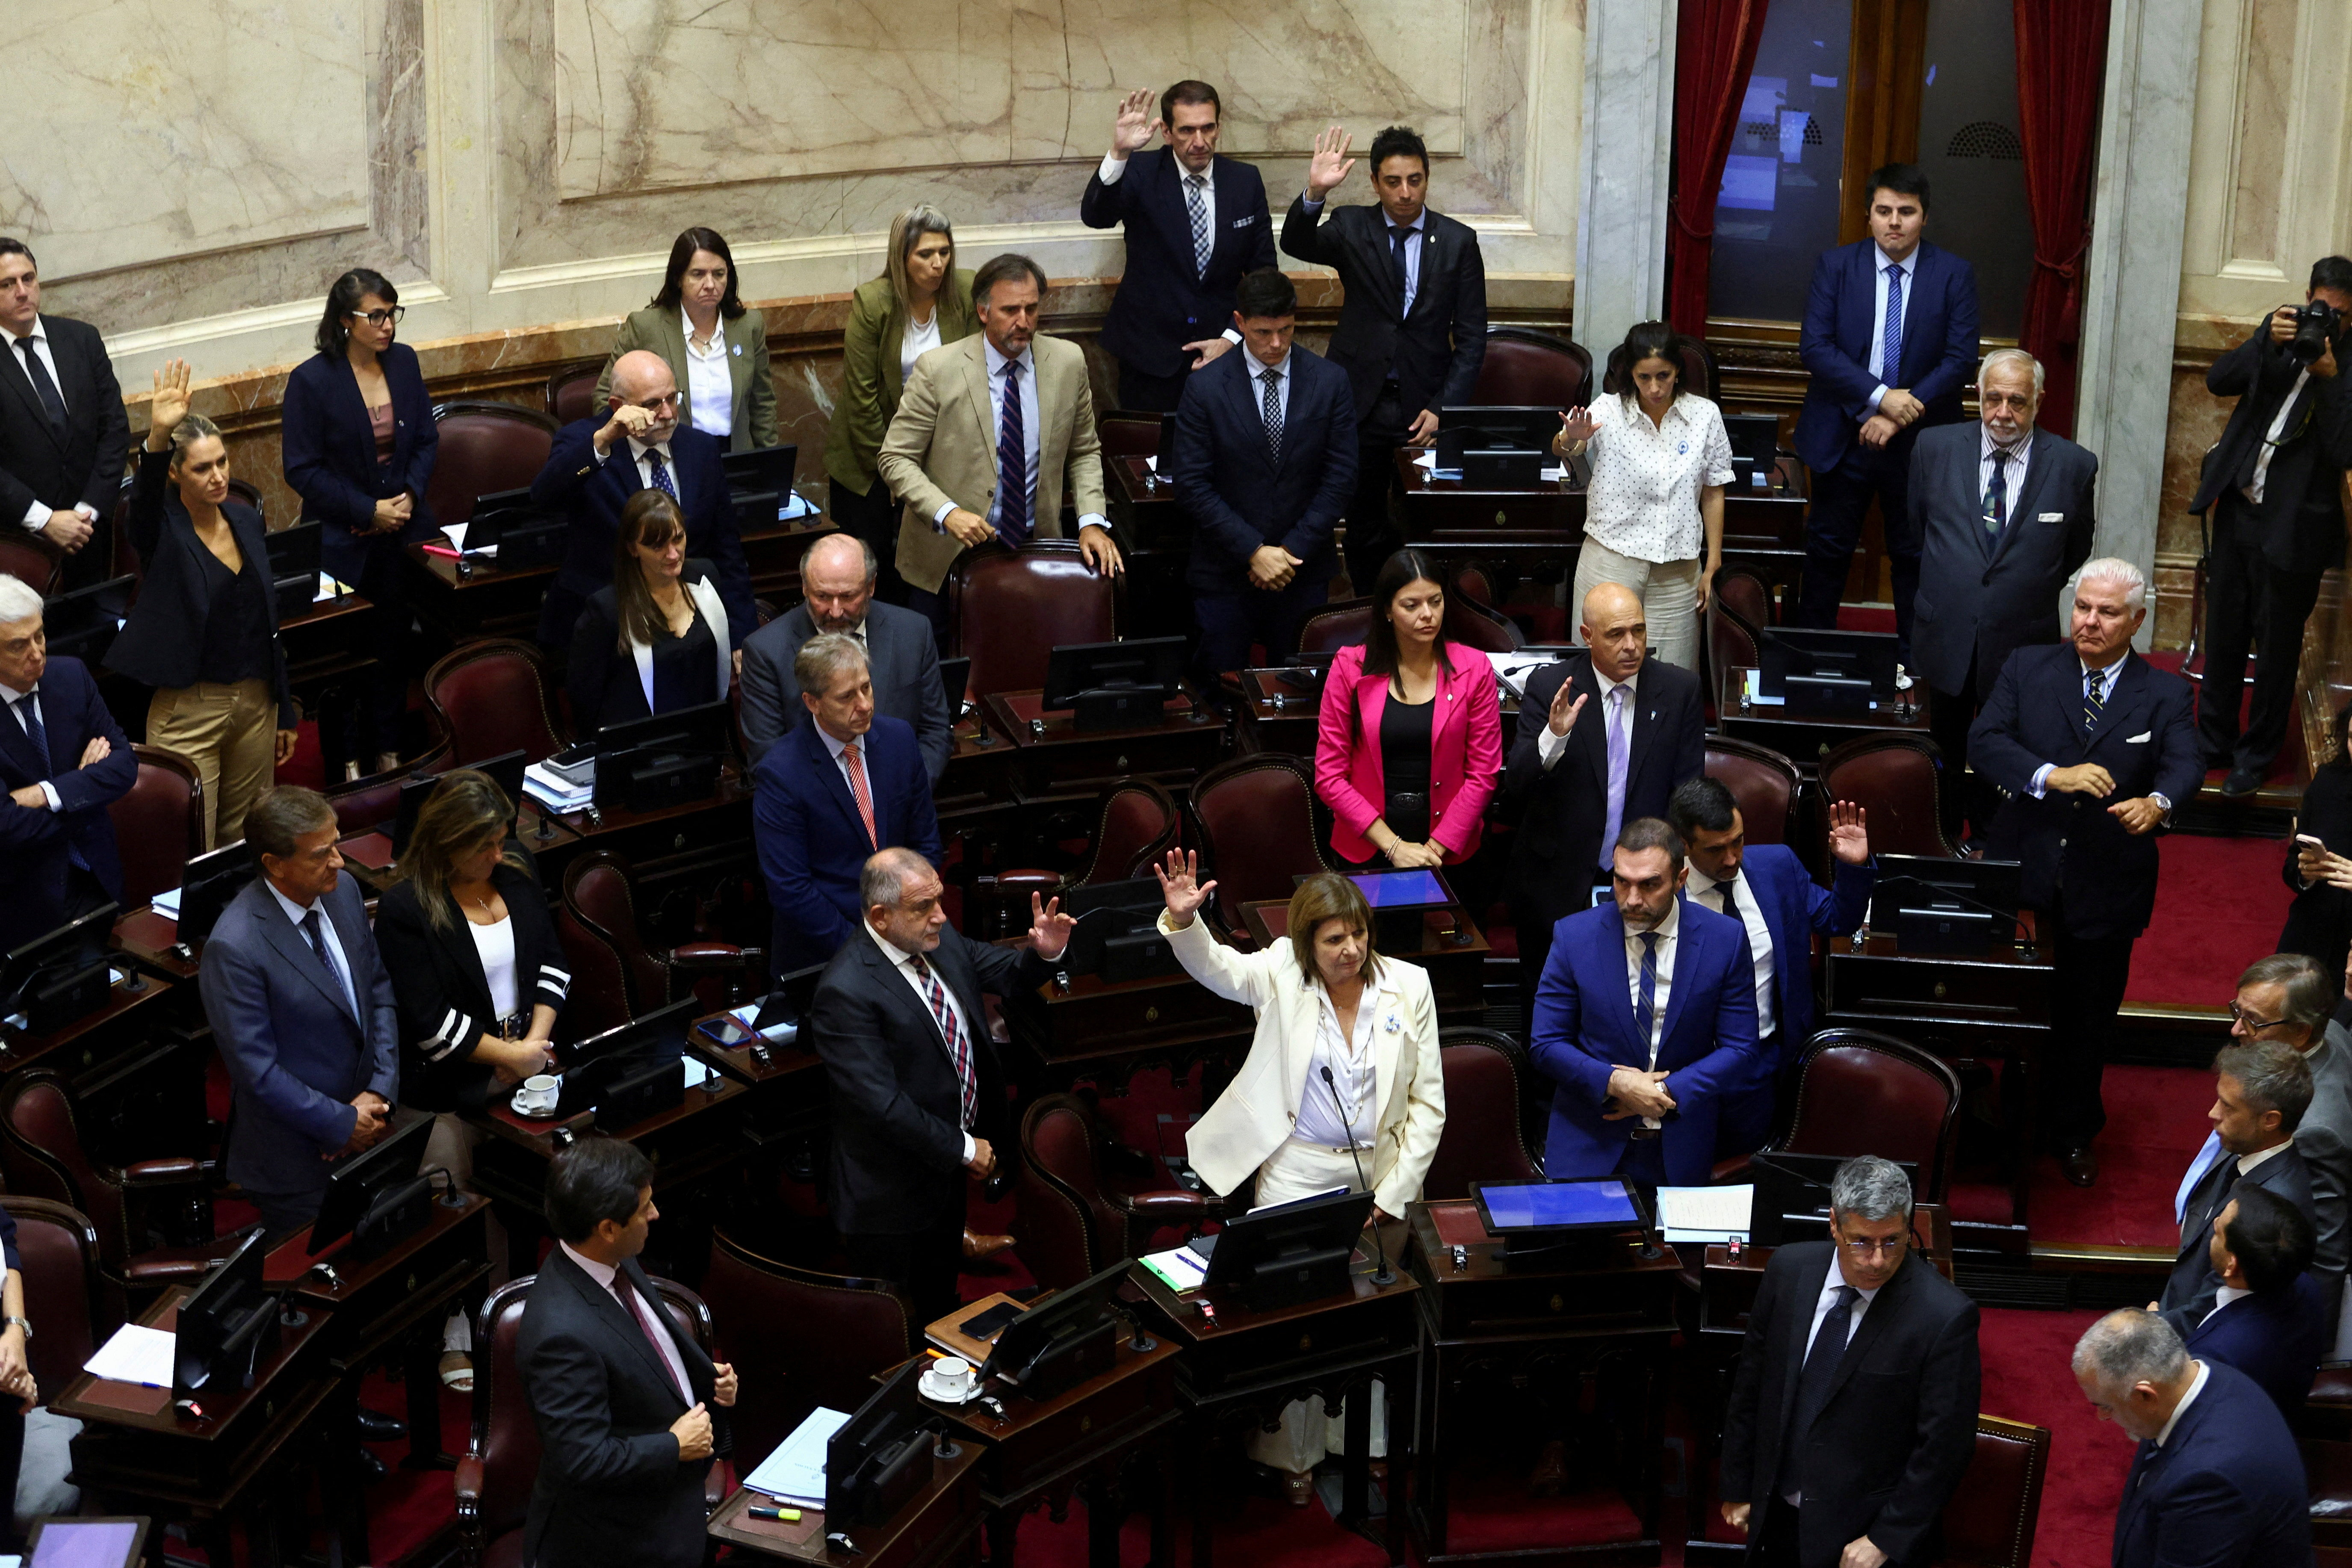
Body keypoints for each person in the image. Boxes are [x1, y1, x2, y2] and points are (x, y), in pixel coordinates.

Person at [1152, 850, 1444, 1495]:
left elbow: (1429, 1104)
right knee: (1297, 1317)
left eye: (1359, 933)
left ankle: (1366, 1440)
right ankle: (1295, 1456)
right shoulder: (1282, 971)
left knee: (1369, 1313)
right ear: (1307, 941)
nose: (1351, 949)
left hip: (1383, 1175)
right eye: (1335, 938)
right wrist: (1185, 922)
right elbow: (1221, 969)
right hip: (1296, 1169)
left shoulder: (1410, 985)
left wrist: (1394, 1196)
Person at [1968, 558, 2201, 1186]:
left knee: (2089, 1018)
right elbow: (1984, 740)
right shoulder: (2028, 666)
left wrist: (2160, 803)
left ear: (2138, 621)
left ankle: (2072, 1131)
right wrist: (2052, 775)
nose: (2090, 622)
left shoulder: (2166, 693)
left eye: (2108, 612)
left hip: (2108, 881)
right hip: (2026, 876)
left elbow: (2185, 766)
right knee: (2014, 1012)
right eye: (2083, 607)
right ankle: (2001, 1122)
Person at [803, 848, 1073, 1323]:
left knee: (940, 1302)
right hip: (889, 1197)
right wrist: (965, 1149)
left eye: (939, 901)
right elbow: (882, 1107)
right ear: (881, 917)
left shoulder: (938, 942)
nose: (941, 916)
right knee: (895, 1322)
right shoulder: (844, 991)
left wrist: (1045, 953)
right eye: (923, 907)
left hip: (943, 1175)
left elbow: (1006, 972)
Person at [373, 768, 567, 1391]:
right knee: (448, 1182)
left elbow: (552, 964)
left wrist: (534, 1042)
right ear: (447, 842)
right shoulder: (408, 908)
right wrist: (513, 1056)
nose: (497, 852)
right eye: (483, 844)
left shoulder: (515, 872)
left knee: (572, 1159)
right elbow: (431, 1025)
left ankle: (550, 1307)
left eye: (501, 838)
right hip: (445, 1084)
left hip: (524, 1060)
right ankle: (459, 1322)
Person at [1720, 1157, 1979, 1568]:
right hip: (1777, 1515)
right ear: (1835, 1224)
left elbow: (1944, 1448)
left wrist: (1885, 1539)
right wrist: (1738, 1483)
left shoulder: (1944, 1317)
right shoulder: (1788, 1270)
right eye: (1862, 1241)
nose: (1877, 1259)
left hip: (1859, 1537)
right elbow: (1752, 1384)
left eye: (1893, 1241)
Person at [1281, 126, 1486, 591]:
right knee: (1363, 522)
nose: (1405, 192)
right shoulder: (1352, 226)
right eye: (1393, 182)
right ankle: (1370, 613)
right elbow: (1295, 242)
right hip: (1361, 402)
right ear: (1375, 183)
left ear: (1427, 180)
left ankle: (1424, 612)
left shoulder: (1457, 242)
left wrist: (1444, 407)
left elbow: (1472, 339)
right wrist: (1315, 191)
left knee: (1424, 522)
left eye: (1414, 180)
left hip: (1426, 406)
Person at [518, 1134, 737, 1568]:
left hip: (666, 1507)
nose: (656, 1214)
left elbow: (641, 1346)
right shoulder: (560, 1335)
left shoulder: (613, 1260)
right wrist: (674, 1445)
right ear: (607, 1227)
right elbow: (583, 1459)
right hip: (617, 1542)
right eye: (644, 1209)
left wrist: (705, 1380)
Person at [1906, 349, 2098, 842]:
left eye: (2017, 401)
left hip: (2021, 641)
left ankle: (1996, 847)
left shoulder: (2073, 465)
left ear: (2038, 403)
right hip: (1945, 632)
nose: (2003, 413)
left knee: (2010, 751)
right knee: (1940, 748)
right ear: (1978, 395)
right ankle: (1943, 840)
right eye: (1993, 399)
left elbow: (2073, 549)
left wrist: (2018, 590)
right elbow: (1915, 532)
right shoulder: (1934, 447)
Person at [1790, 165, 1980, 661]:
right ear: (1869, 216)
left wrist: (1897, 414)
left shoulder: (1953, 274)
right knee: (1827, 554)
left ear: (1923, 216)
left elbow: (1959, 359)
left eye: (1906, 212)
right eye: (1884, 211)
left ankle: (1913, 674)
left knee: (1914, 559)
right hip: (1841, 435)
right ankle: (1811, 665)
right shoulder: (1836, 267)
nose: (1894, 222)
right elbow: (1815, 347)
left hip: (1920, 444)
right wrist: (1879, 397)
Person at [109, 360, 297, 848]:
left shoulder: (246, 522)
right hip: (192, 708)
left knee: (249, 837)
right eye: (202, 468)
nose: (218, 477)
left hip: (256, 700)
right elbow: (143, 509)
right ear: (175, 473)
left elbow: (267, 622)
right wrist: (156, 437)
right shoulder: (162, 532)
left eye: (222, 463)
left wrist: (285, 709)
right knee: (194, 840)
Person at [875, 253, 1121, 623]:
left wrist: (1091, 521)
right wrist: (948, 512)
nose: (1023, 322)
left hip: (1034, 548)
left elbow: (1084, 450)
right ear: (984, 311)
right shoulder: (938, 369)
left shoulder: (1068, 362)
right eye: (1010, 310)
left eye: (1032, 309)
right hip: (946, 555)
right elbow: (895, 458)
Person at [198, 785, 399, 1237]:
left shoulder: (343, 891)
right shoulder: (234, 947)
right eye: (321, 854)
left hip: (373, 1128)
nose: (340, 862)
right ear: (274, 864)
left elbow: (378, 991)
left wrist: (380, 1092)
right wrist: (340, 1122)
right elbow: (258, 1071)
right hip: (297, 1164)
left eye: (337, 845)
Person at [2190, 256, 2352, 798]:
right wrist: (2266, 338)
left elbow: (2344, 447)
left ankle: (2254, 757)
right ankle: (2212, 742)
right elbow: (2218, 381)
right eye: (2319, 307)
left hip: (2296, 527)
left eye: (2339, 314)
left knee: (2278, 648)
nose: (2325, 320)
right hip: (2240, 506)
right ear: (2307, 296)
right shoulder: (2280, 335)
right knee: (2225, 632)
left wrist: (2329, 378)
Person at [1504, 582, 1707, 1007]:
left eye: (1639, 630)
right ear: (1587, 634)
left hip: (1643, 882)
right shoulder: (1550, 686)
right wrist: (1553, 737)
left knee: (1631, 1007)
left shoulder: (1678, 690)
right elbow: (1516, 785)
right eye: (1616, 634)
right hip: (1557, 882)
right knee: (1548, 1008)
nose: (1631, 645)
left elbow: (1686, 792)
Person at [1529, 817, 1761, 1186]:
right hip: (1589, 1143)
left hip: (1679, 1146)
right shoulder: (1575, 936)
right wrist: (1616, 1082)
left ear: (1680, 879)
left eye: (1650, 884)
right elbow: (1545, 1044)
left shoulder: (1724, 939)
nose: (1632, 899)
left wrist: (1664, 1092)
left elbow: (1742, 1048)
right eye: (1622, 882)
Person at [1168, 267, 1357, 692]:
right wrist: (1254, 551)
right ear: (1239, 323)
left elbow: (1341, 478)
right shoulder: (1206, 388)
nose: (1275, 344)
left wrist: (1288, 551)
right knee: (1221, 691)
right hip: (1225, 571)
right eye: (1262, 332)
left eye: (1286, 330)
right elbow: (1192, 485)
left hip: (1301, 571)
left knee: (1299, 694)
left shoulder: (1329, 382)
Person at [282, 268, 438, 777]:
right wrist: (367, 509)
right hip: (341, 542)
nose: (388, 325)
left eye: (392, 314)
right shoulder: (312, 380)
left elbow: (425, 440)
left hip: (402, 534)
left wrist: (409, 495)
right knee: (345, 660)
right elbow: (302, 469)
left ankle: (392, 751)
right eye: (377, 316)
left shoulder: (406, 362)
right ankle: (346, 761)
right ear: (346, 321)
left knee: (394, 648)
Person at [1668, 778, 1875, 1154]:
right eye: (1716, 849)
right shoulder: (1664, 892)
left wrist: (1853, 868)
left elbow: (1836, 920)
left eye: (1738, 841)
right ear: (1684, 844)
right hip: (1691, 1071)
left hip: (1767, 1062)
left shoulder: (1777, 866)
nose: (1732, 858)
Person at [531, 348, 754, 657]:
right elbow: (544, 497)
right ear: (618, 407)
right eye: (652, 404)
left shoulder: (700, 449)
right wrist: (603, 441)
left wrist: (741, 639)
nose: (667, 413)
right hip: (606, 630)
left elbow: (727, 551)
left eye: (672, 398)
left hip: (688, 626)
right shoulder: (584, 442)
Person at [1312, 551, 1502, 902]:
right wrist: (1395, 847)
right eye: (1411, 605)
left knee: (1450, 952)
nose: (1427, 615)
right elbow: (1329, 776)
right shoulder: (1350, 667)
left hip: (1451, 853)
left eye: (1435, 601)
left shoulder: (1474, 668)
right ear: (1387, 610)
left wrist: (1435, 849)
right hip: (1369, 848)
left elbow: (1484, 773)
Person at [1081, 82, 1277, 412]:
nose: (1199, 142)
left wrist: (1231, 340)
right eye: (1186, 130)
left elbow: (1264, 273)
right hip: (1150, 359)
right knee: (1151, 461)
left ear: (1218, 128)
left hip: (1223, 357)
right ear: (1167, 133)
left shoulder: (1245, 181)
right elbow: (1096, 216)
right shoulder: (1140, 172)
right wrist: (1119, 153)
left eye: (1207, 128)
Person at [1551, 322, 1734, 673]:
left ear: (1678, 370)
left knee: (1672, 682)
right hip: (1610, 561)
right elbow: (1567, 447)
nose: (1654, 387)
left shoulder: (1705, 416)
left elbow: (1714, 491)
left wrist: (1713, 564)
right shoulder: (1608, 409)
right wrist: (1571, 438)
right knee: (1595, 676)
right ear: (1630, 374)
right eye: (1644, 377)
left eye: (1663, 376)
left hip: (1677, 573)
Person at [753, 635, 940, 976]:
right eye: (846, 697)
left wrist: (911, 920)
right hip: (830, 953)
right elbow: (791, 890)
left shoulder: (900, 740)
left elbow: (925, 841)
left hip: (908, 932)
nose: (865, 704)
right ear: (813, 702)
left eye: (866, 688)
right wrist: (866, 950)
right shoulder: (781, 774)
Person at [824, 207, 978, 607]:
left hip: (942, 449)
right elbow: (861, 400)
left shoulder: (966, 292)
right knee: (875, 570)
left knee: (930, 573)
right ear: (901, 257)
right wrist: (899, 473)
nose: (938, 263)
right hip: (868, 456)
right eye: (925, 254)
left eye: (944, 251)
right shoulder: (874, 303)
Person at [2073, 1309, 2311, 1568]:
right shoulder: (2195, 1374)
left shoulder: (2208, 1480)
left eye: (2106, 1406)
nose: (2101, 1417)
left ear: (2146, 1396)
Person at [2201, 954, 2352, 1314]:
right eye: (2237, 1012)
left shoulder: (2315, 1132)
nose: (2237, 1030)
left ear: (2301, 1031)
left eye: (2253, 1021)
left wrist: (2311, 1349)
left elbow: (2325, 1250)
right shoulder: (2329, 1031)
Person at [739, 532, 951, 777]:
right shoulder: (766, 651)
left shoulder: (913, 632)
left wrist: (904, 795)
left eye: (848, 597)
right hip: (817, 806)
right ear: (805, 587)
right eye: (823, 597)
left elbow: (935, 732)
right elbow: (769, 758)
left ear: (871, 586)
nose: (836, 611)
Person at [0, 574, 132, 953]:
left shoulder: (70, 675)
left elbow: (124, 764)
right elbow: (5, 826)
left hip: (98, 877)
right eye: (18, 646)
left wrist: (49, 792)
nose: (37, 652)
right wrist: (85, 788)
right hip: (22, 898)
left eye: (39, 636)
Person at [2160, 1040, 2325, 1338]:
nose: (2213, 1113)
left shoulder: (2276, 1207)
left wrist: (2152, 1327)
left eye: (2228, 1106)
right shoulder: (2240, 1142)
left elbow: (2214, 1305)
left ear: (2270, 1120)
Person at [0, 238, 128, 592]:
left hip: (92, 536)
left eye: (29, 279)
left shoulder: (82, 340)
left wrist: (86, 514)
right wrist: (44, 521)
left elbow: (115, 430)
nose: (22, 292)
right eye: (8, 284)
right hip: (19, 545)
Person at [593, 227, 777, 453]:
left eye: (719, 274)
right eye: (698, 274)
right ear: (679, 278)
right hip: (669, 458)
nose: (710, 285)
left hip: (737, 456)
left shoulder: (749, 326)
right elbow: (605, 397)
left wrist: (769, 462)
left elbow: (762, 405)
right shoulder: (646, 327)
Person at [566, 491, 736, 729]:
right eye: (658, 546)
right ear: (633, 549)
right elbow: (585, 698)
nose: (673, 554)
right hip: (640, 749)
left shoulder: (706, 577)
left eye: (678, 539)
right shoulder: (606, 611)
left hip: (705, 736)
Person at [2183, 1186, 2329, 1420]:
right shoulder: (2306, 1286)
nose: (2215, 1222)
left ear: (2232, 1265)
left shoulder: (2213, 1356)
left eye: (2219, 1232)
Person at [2281, 703, 2352, 980]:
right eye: (2351, 738)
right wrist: (2305, 874)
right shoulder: (2328, 781)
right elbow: (2292, 863)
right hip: (2309, 935)